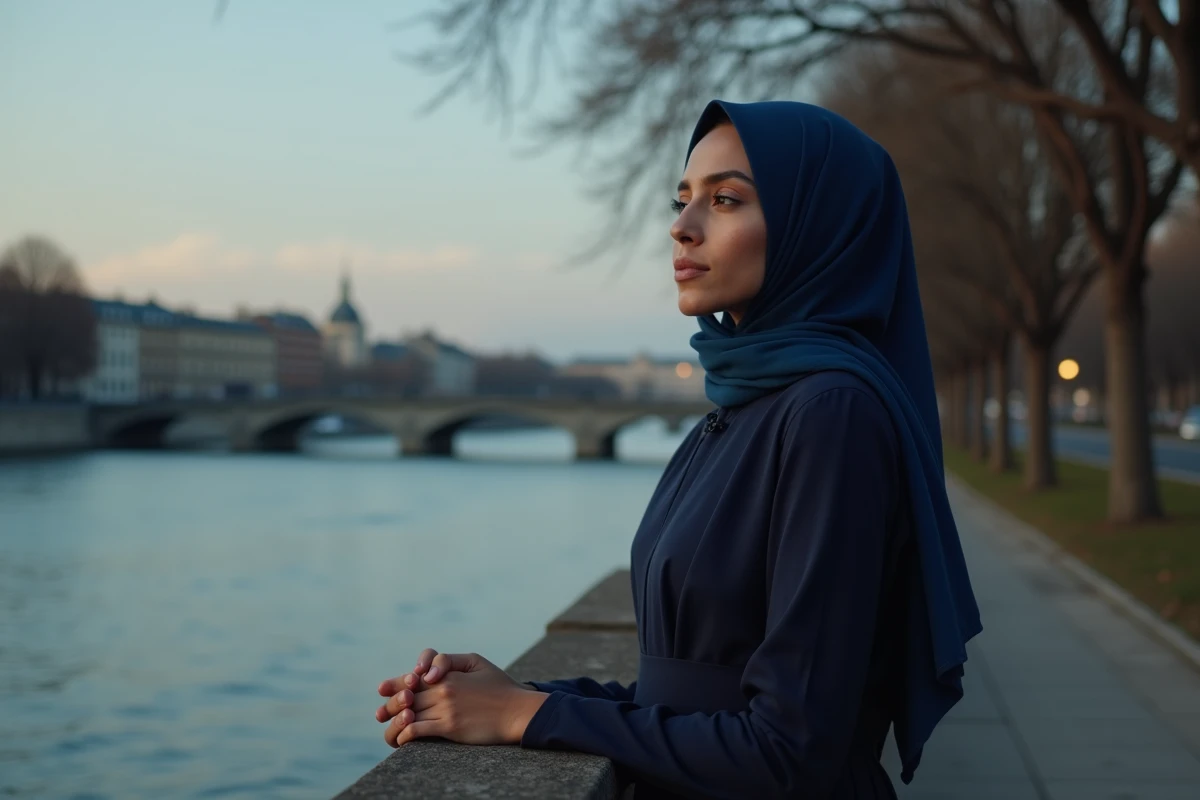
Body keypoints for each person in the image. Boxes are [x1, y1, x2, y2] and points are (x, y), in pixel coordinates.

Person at [372, 100, 982, 799]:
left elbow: (790, 751)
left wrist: (526, 716)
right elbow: (688, 691)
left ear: (820, 227)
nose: (681, 226)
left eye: (725, 200)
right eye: (682, 198)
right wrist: (517, 695)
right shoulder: (741, 410)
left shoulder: (831, 414)